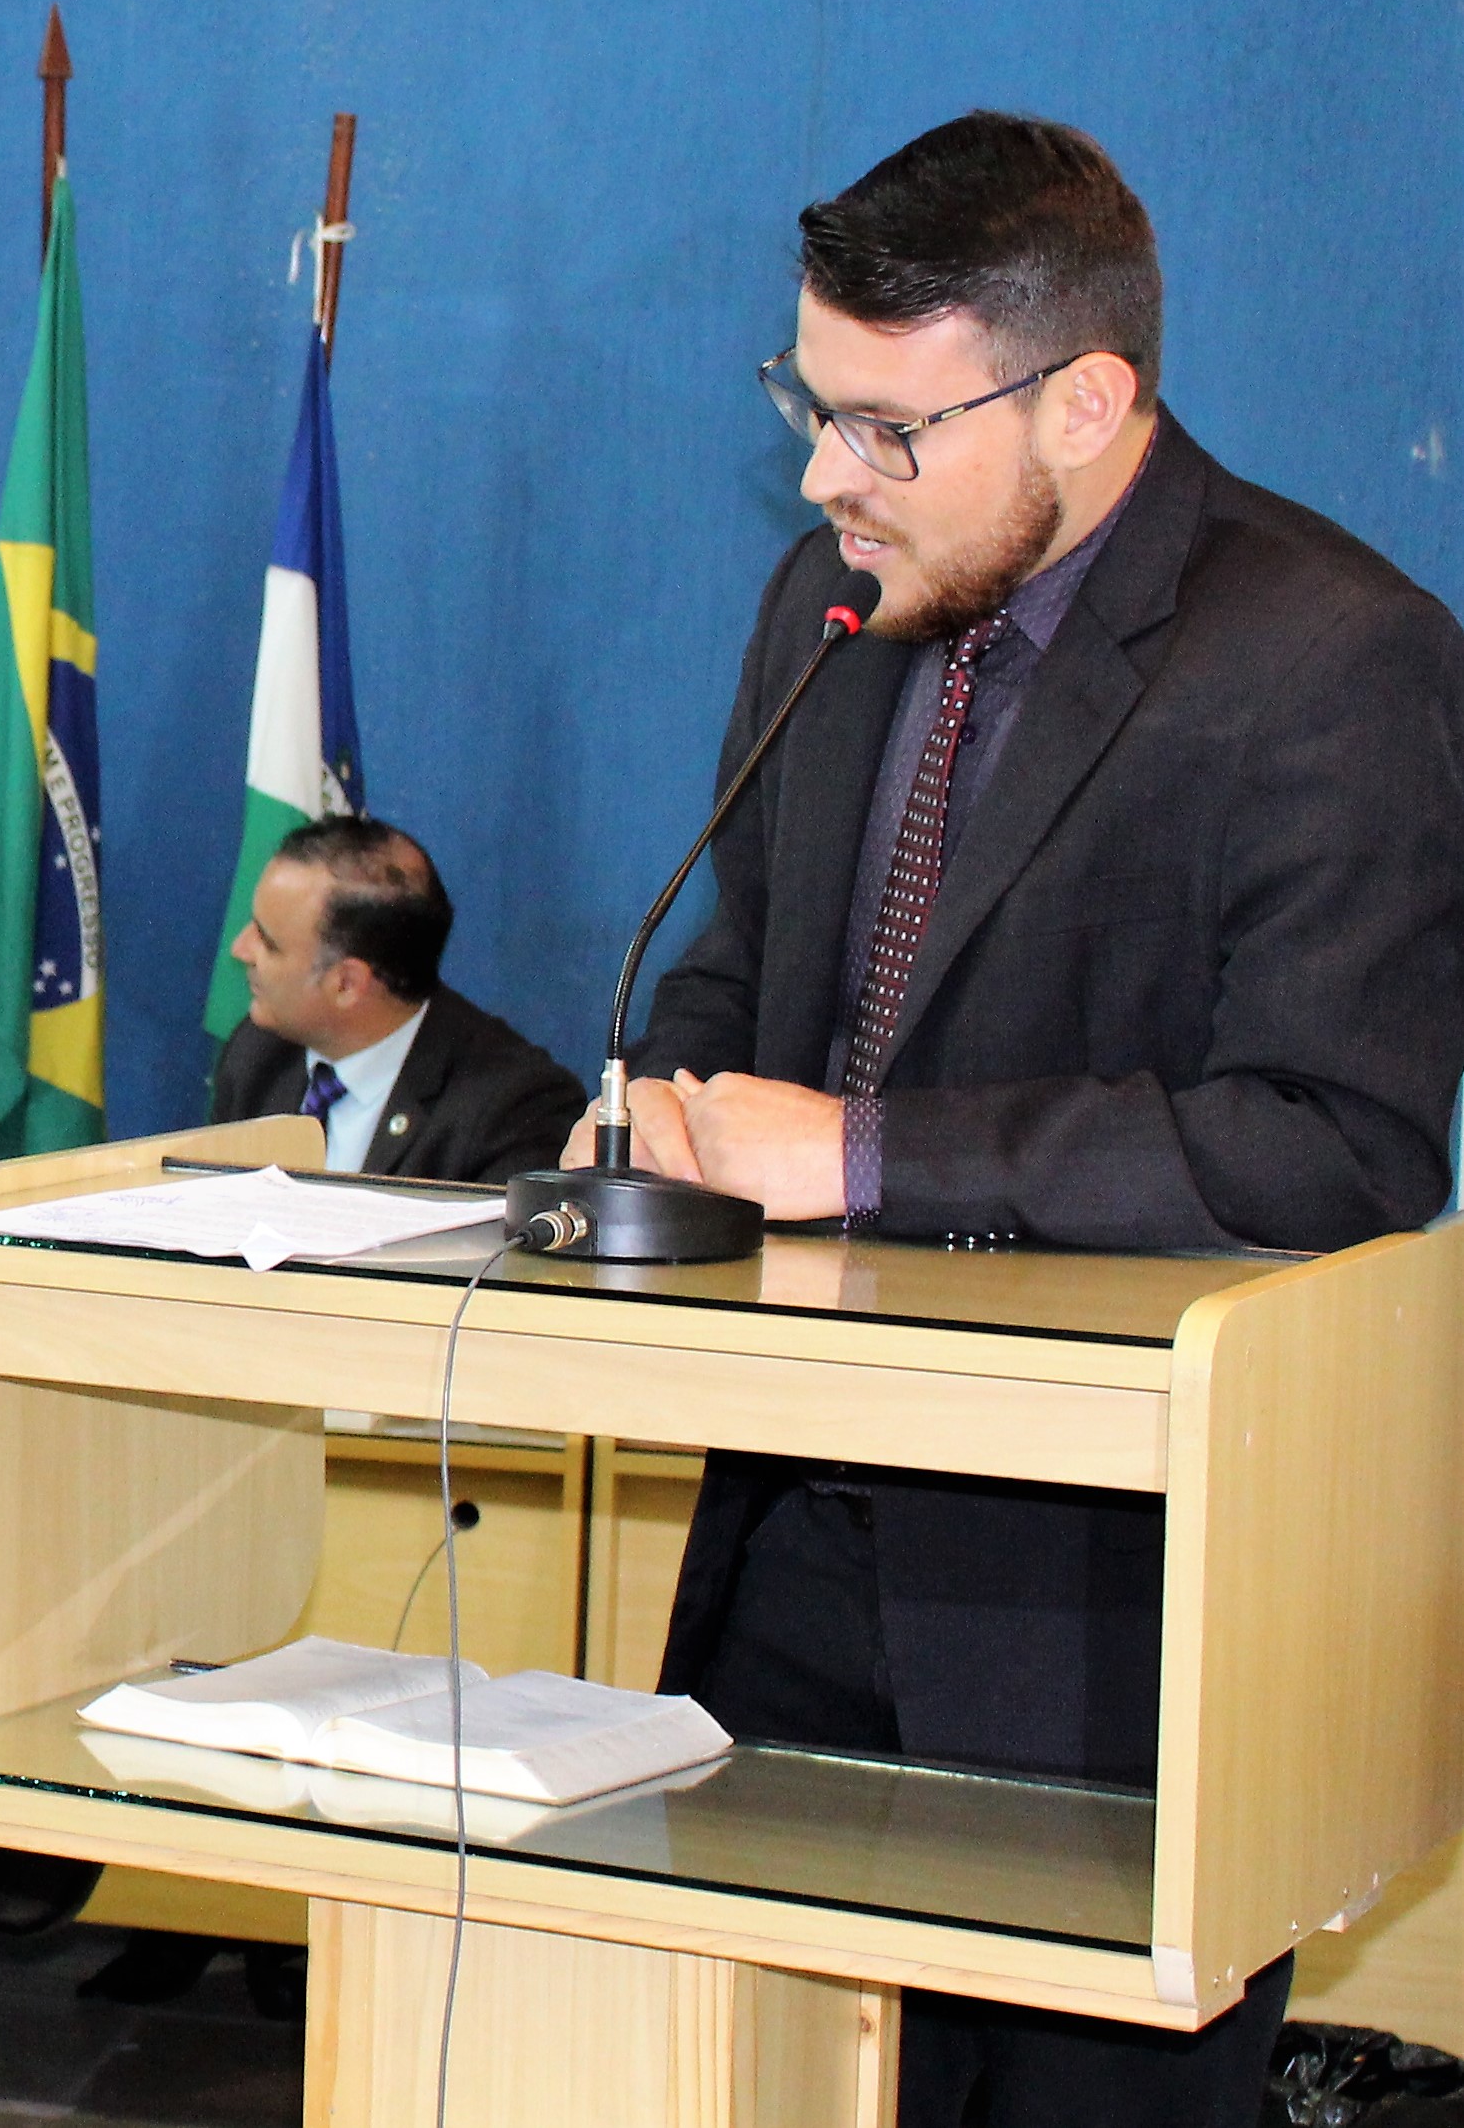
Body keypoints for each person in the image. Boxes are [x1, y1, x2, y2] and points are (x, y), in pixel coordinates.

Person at [561, 113, 1464, 2126]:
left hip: (1111, 1608)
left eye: (889, 426)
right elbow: (755, 959)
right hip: (787, 1544)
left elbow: (1338, 1141)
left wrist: (864, 1159)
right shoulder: (832, 588)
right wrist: (660, 1106)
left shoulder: (1336, 656)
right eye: (811, 405)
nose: (822, 474)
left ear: (1089, 398)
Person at [211, 817, 583, 1184]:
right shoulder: (258, 1057)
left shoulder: (512, 1109)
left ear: (347, 984)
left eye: (267, 941)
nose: (240, 948)